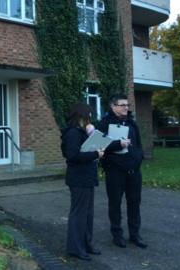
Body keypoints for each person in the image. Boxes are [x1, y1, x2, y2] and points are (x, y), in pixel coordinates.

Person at [97, 94, 147, 249]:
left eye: (127, 105)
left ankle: (135, 235)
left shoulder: (132, 123)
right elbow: (98, 146)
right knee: (115, 204)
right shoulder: (104, 124)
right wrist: (118, 144)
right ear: (113, 107)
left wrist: (139, 157)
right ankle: (117, 235)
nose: (126, 107)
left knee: (134, 203)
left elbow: (138, 144)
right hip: (115, 171)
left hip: (133, 170)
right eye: (122, 105)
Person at [61, 103, 104, 261]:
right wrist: (95, 154)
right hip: (78, 178)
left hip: (86, 177)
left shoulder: (82, 132)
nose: (91, 117)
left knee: (87, 214)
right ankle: (75, 248)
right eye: (89, 114)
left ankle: (86, 244)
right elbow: (72, 156)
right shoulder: (73, 133)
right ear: (82, 116)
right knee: (79, 214)